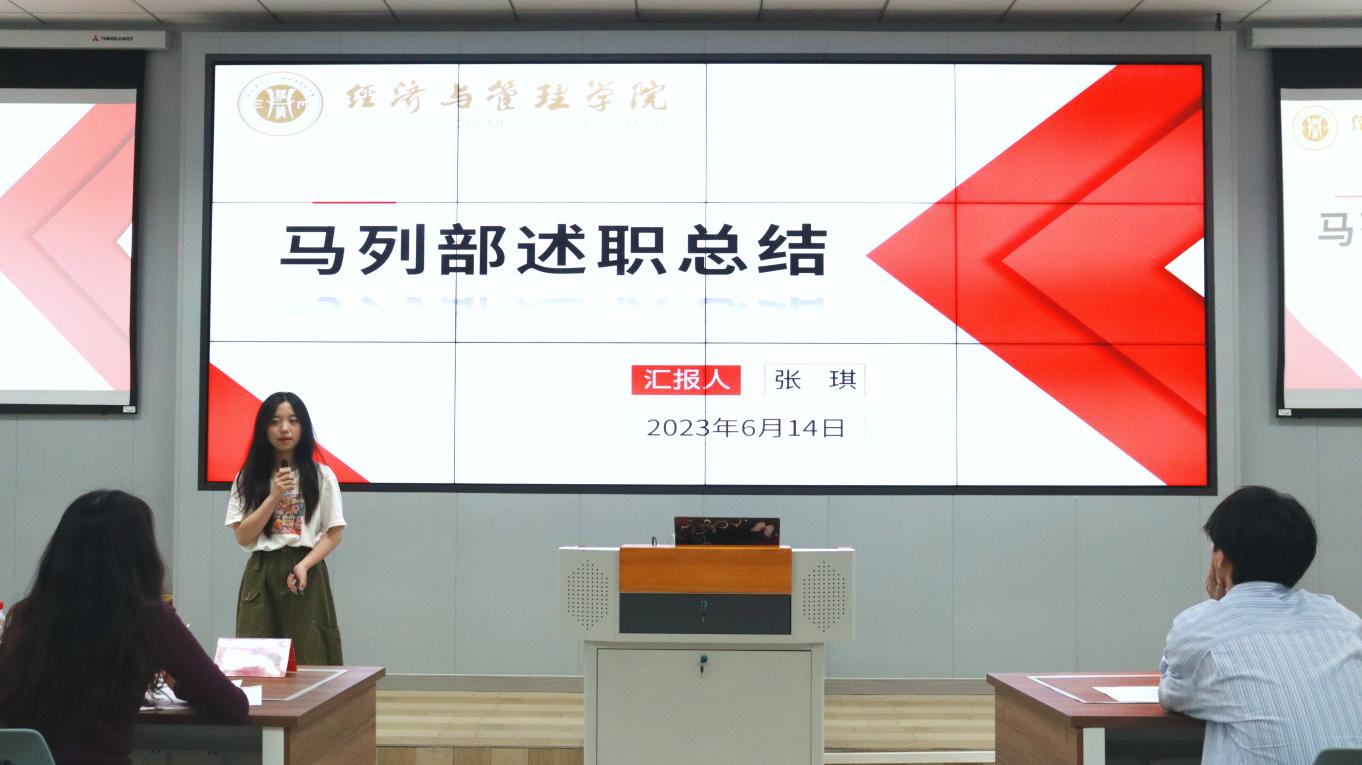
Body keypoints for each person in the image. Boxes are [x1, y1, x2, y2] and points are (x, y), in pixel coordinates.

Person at [0, 490, 248, 764]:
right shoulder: (150, 619)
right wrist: (177, 681)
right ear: (139, 555)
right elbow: (232, 706)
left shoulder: (26, 615)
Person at [1159, 486, 1362, 764]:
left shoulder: (1201, 626)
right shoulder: (1344, 621)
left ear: (1221, 558)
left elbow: (1172, 693)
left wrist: (1219, 606)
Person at [226, 391, 345, 665]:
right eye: (275, 421)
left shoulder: (322, 476)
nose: (284, 428)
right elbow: (243, 536)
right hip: (262, 570)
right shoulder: (248, 477)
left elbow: (334, 534)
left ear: (303, 426)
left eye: (293, 420)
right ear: (264, 428)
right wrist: (274, 496)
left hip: (306, 567)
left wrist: (304, 565)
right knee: (257, 655)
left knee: (311, 652)